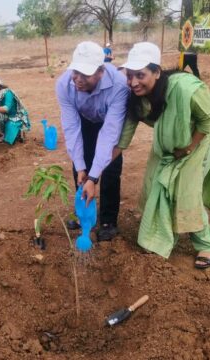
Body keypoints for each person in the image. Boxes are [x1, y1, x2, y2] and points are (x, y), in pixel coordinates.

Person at [115, 42, 210, 268]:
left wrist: (188, 148)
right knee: (157, 185)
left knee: (184, 192)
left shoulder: (184, 89)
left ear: (157, 72)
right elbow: (124, 136)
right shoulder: (137, 96)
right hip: (167, 145)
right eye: (130, 75)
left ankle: (206, 244)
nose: (133, 82)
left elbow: (207, 121)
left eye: (140, 75)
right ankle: (162, 236)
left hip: (197, 142)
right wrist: (97, 172)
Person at [56, 41, 130, 241]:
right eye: (75, 73)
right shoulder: (64, 84)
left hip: (108, 121)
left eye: (85, 75)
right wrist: (82, 168)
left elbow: (110, 133)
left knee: (111, 168)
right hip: (84, 120)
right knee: (80, 169)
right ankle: (85, 217)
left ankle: (107, 220)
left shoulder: (119, 86)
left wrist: (95, 177)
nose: (78, 80)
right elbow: (71, 128)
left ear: (101, 71)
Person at [0, 75, 30, 144]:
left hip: (14, 118)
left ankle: (12, 134)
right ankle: (3, 133)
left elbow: (6, 109)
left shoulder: (7, 93)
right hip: (5, 118)